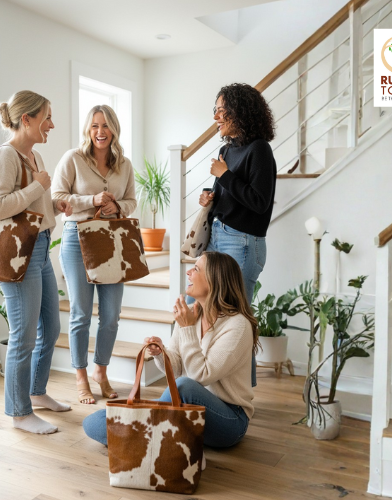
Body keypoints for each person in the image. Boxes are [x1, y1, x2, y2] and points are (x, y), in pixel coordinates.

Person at [82, 251, 258, 448]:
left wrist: (187, 328)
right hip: (188, 409)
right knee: (95, 420)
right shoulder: (191, 313)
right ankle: (153, 441)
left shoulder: (238, 325)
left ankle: (143, 439)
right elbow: (176, 372)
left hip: (229, 419)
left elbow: (199, 376)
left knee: (183, 387)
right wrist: (161, 353)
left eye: (197, 269)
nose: (189, 272)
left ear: (214, 281)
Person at [0, 90, 73, 435]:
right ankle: (20, 414)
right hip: (17, 256)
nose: (51, 124)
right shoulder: (6, 156)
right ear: (27, 119)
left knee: (50, 328)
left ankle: (36, 393)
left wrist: (54, 204)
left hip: (40, 250)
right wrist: (38, 187)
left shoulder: (33, 157)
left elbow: (32, 204)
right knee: (23, 336)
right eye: (46, 117)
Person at [52, 105, 137, 405]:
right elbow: (57, 197)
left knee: (111, 316)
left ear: (114, 129)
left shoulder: (124, 164)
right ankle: (81, 377)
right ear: (88, 130)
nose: (100, 131)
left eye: (105, 126)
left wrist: (119, 207)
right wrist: (92, 199)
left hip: (112, 241)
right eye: (94, 126)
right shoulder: (73, 158)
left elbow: (131, 200)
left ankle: (101, 371)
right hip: (77, 240)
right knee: (80, 314)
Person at [197, 82, 277, 387]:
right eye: (215, 109)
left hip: (243, 242)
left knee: (237, 321)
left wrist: (224, 175)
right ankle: (218, 385)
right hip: (219, 236)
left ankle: (241, 392)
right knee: (214, 313)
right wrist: (210, 196)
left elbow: (259, 202)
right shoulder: (226, 149)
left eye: (220, 109)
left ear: (238, 112)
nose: (216, 116)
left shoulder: (259, 150)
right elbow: (225, 192)